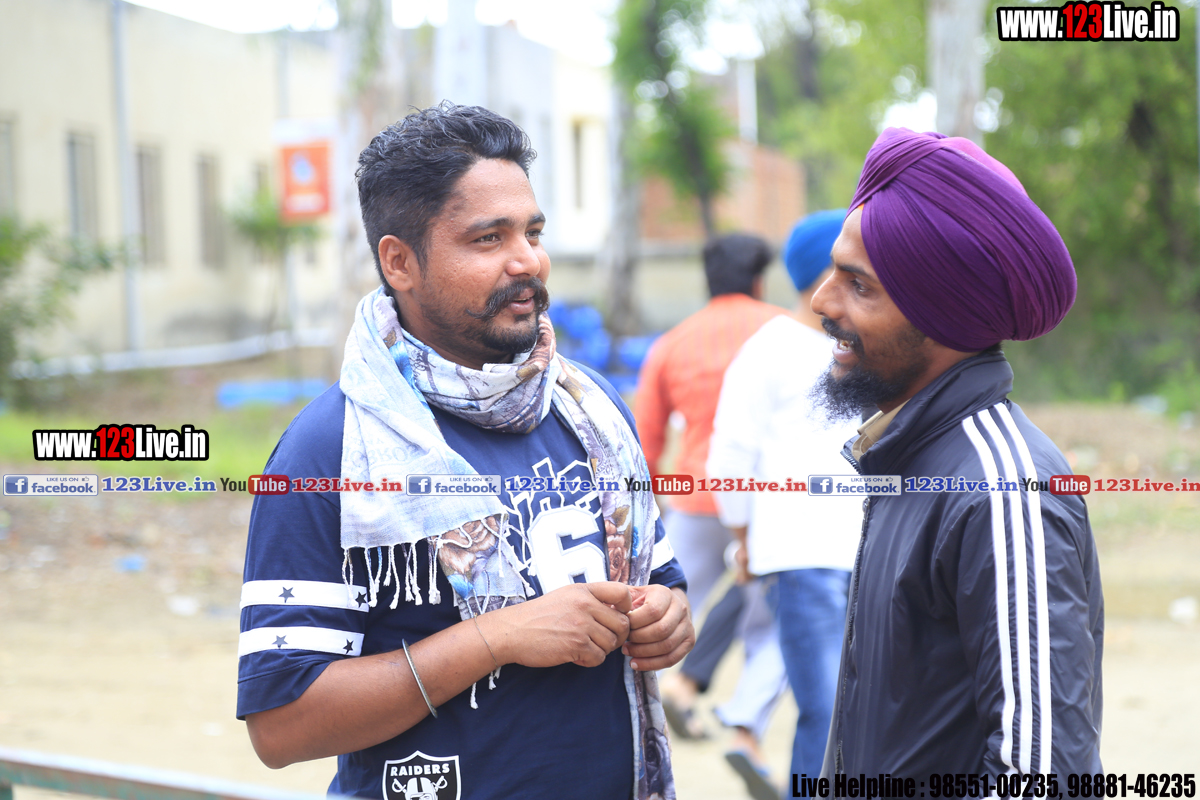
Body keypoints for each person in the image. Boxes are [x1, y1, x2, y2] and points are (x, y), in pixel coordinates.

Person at [236, 103, 695, 800]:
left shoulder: (590, 409)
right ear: (400, 262)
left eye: (532, 232)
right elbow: (282, 725)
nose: (528, 261)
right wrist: (494, 639)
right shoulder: (327, 450)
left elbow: (662, 583)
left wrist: (667, 618)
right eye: (488, 238)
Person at [812, 128, 1103, 778]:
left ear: (940, 316)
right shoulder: (912, 458)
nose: (821, 301)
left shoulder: (1002, 492)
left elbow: (1042, 777)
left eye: (859, 286)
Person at [706, 210, 862, 791]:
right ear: (827, 271)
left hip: (867, 552)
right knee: (828, 709)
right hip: (801, 556)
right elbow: (730, 457)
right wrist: (744, 538)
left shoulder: (867, 351)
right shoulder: (771, 348)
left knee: (858, 711)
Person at [633, 234, 788, 794]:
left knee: (653, 614)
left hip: (694, 498)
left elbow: (644, 442)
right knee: (770, 622)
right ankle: (746, 727)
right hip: (770, 502)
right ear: (759, 280)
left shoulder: (672, 344)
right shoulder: (785, 334)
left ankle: (638, 721)